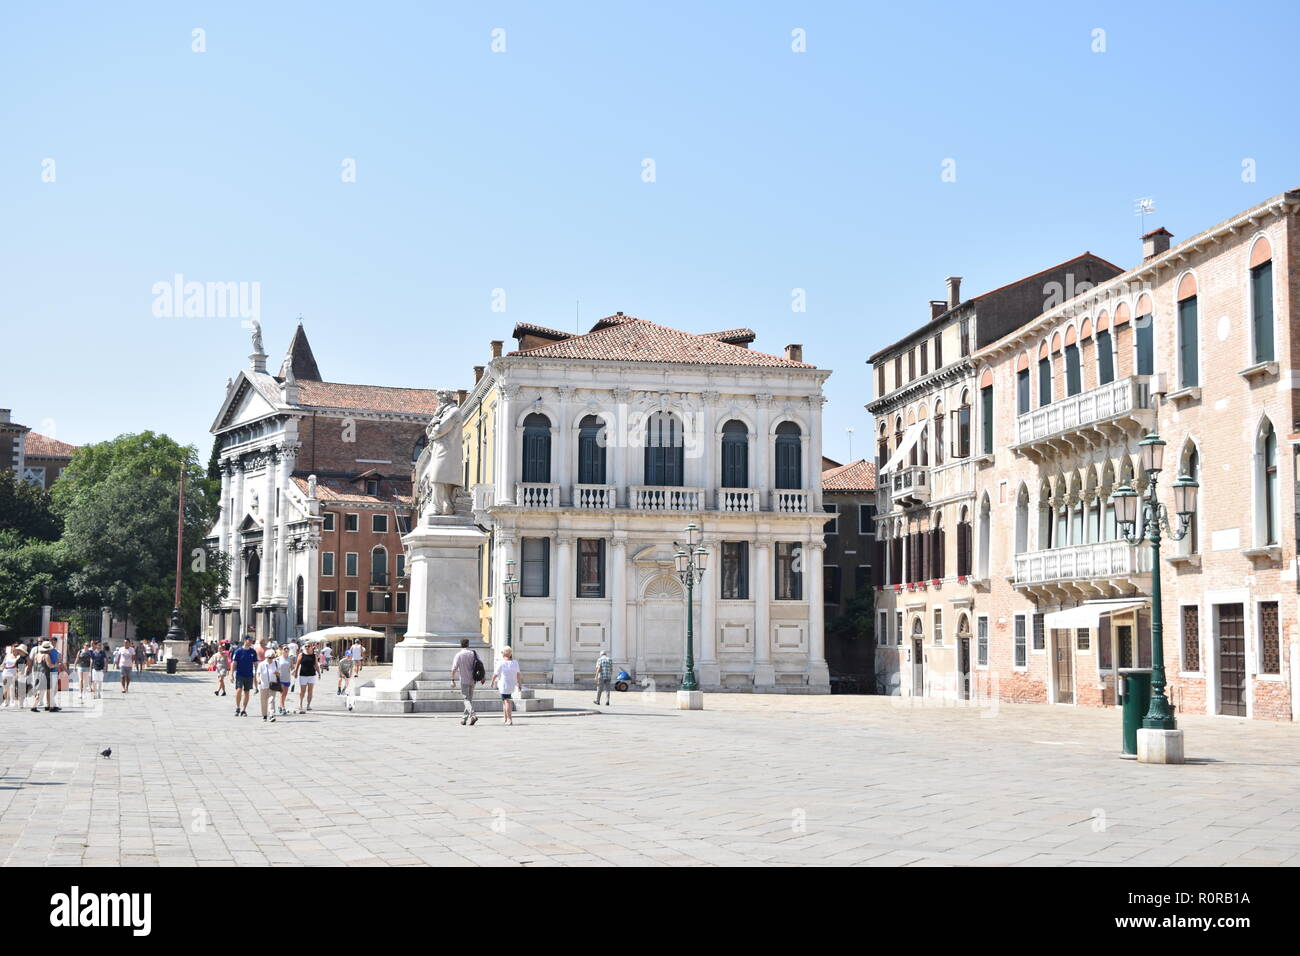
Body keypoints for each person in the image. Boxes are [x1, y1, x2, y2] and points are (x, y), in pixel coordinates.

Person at [449, 638, 482, 726]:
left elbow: (454, 668)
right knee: (469, 700)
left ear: (461, 645)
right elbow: (480, 665)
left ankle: (473, 715)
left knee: (466, 699)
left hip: (464, 680)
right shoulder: (473, 653)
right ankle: (464, 719)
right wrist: (483, 677)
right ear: (468, 644)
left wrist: (452, 680)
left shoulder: (458, 655)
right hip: (473, 679)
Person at [491, 646, 523, 726]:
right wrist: (519, 684)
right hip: (511, 684)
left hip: (504, 685)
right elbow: (518, 674)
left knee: (507, 701)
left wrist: (492, 682)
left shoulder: (501, 662)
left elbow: (495, 674)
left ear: (504, 653)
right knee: (504, 701)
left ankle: (509, 719)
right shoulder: (515, 662)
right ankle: (505, 718)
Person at [230, 637, 258, 717]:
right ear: (245, 641)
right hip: (240, 674)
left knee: (247, 692)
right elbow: (233, 663)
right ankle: (238, 707)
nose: (251, 642)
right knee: (239, 690)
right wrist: (231, 674)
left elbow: (255, 663)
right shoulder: (238, 651)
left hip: (249, 675)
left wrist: (257, 673)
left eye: (252, 641)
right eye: (249, 640)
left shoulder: (253, 651)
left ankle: (244, 709)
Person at [28, 641, 60, 712]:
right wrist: (56, 665)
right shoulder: (46, 656)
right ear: (48, 649)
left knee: (41, 692)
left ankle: (34, 706)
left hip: (38, 674)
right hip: (45, 675)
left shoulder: (37, 655)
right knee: (49, 691)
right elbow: (50, 665)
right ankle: (50, 707)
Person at [292, 641, 319, 713]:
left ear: (311, 647)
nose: (307, 647)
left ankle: (308, 705)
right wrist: (295, 672)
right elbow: (297, 664)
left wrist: (319, 673)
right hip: (303, 675)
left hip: (312, 675)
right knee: (302, 691)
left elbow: (316, 665)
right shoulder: (301, 655)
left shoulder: (314, 655)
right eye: (305, 646)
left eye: (308, 646)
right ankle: (300, 703)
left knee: (310, 691)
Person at [255, 649, 279, 722]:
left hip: (273, 684)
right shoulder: (261, 664)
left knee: (271, 700)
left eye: (272, 657)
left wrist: (277, 674)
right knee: (263, 700)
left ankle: (271, 714)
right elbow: (258, 674)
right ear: (266, 657)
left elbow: (279, 672)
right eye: (270, 658)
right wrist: (258, 679)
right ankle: (264, 715)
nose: (271, 659)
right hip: (263, 684)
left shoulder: (276, 663)